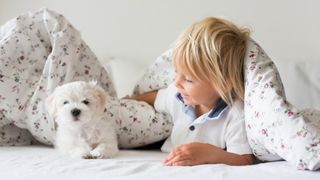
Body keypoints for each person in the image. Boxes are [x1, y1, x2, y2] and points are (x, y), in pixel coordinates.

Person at [129, 17, 253, 166]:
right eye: (176, 73)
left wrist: (210, 153)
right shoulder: (177, 95)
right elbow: (154, 97)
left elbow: (244, 159)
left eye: (188, 79)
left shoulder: (235, 114)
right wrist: (130, 99)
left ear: (224, 83)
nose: (177, 83)